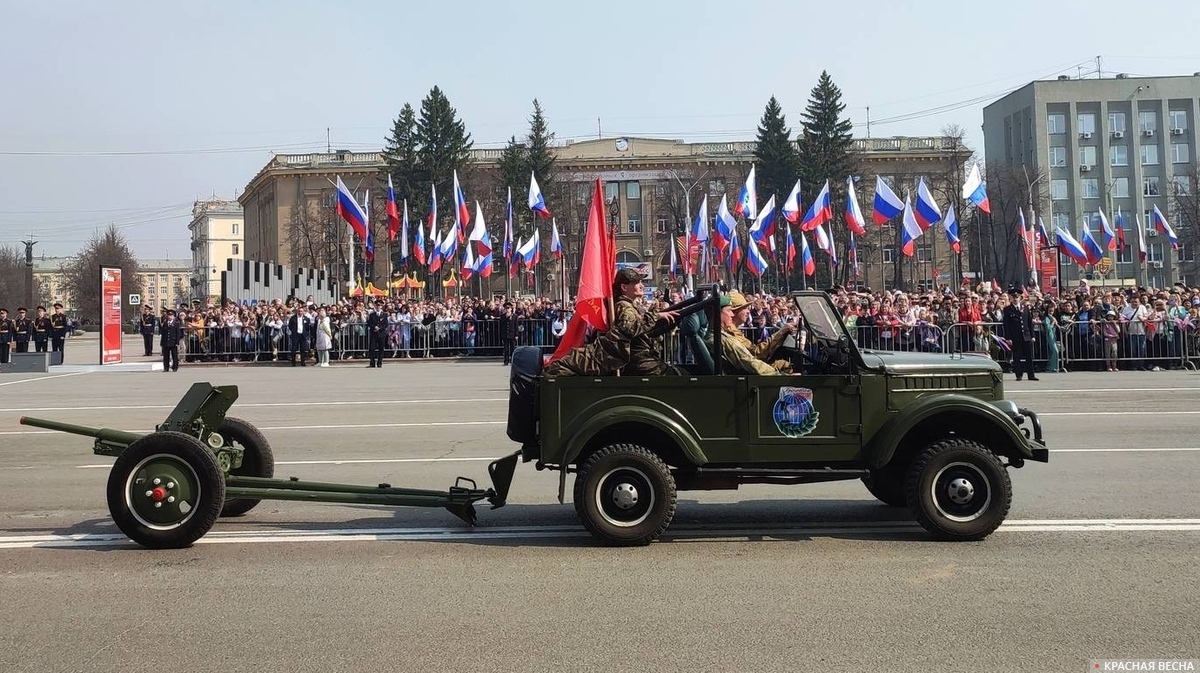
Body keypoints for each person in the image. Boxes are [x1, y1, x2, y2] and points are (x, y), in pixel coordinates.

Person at [543, 268, 678, 377]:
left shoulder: (624, 305)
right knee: (674, 376)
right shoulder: (624, 305)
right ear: (624, 287)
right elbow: (629, 327)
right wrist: (657, 315)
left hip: (631, 358)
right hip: (632, 359)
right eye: (637, 283)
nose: (642, 286)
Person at [720, 291, 797, 376]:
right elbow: (755, 354)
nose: (748, 311)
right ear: (734, 311)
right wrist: (781, 333)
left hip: (754, 370)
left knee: (783, 364)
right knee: (785, 366)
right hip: (751, 374)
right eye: (744, 308)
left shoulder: (732, 331)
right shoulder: (730, 333)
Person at [1002, 288, 1038, 381]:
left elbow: (1029, 323)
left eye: (1017, 297)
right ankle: (1019, 375)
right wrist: (1008, 337)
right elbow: (1006, 325)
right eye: (1013, 297)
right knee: (1017, 356)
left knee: (1029, 356)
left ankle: (1031, 375)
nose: (1015, 299)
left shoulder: (1025, 308)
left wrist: (1032, 336)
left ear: (1020, 298)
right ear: (1011, 298)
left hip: (1026, 335)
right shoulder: (1007, 310)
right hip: (1015, 336)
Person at [366, 299, 388, 368]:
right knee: (372, 348)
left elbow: (385, 324)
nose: (378, 307)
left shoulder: (384, 315)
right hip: (373, 333)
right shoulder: (372, 315)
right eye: (377, 305)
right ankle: (372, 362)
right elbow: (369, 323)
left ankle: (379, 362)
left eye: (380, 305)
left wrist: (380, 328)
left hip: (381, 334)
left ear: (381, 306)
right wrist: (374, 327)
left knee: (381, 348)